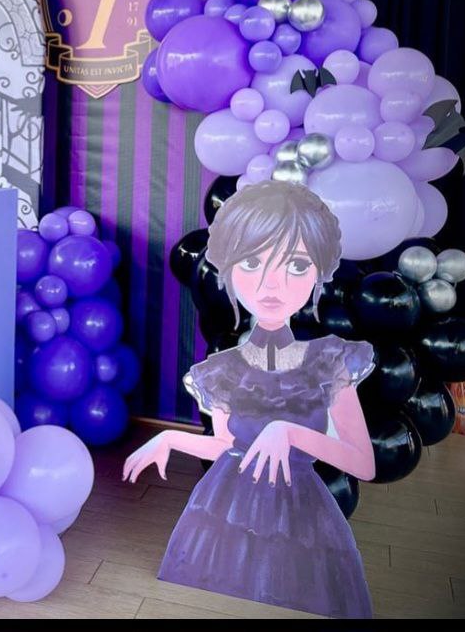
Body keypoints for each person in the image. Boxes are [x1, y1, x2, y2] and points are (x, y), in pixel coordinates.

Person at [123, 180, 375, 618]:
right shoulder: (222, 370)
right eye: (253, 262)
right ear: (229, 271)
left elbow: (363, 464)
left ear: (318, 272)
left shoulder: (328, 361)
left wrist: (289, 432)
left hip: (300, 514)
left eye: (295, 264)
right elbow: (224, 445)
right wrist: (168, 438)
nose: (271, 284)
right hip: (226, 507)